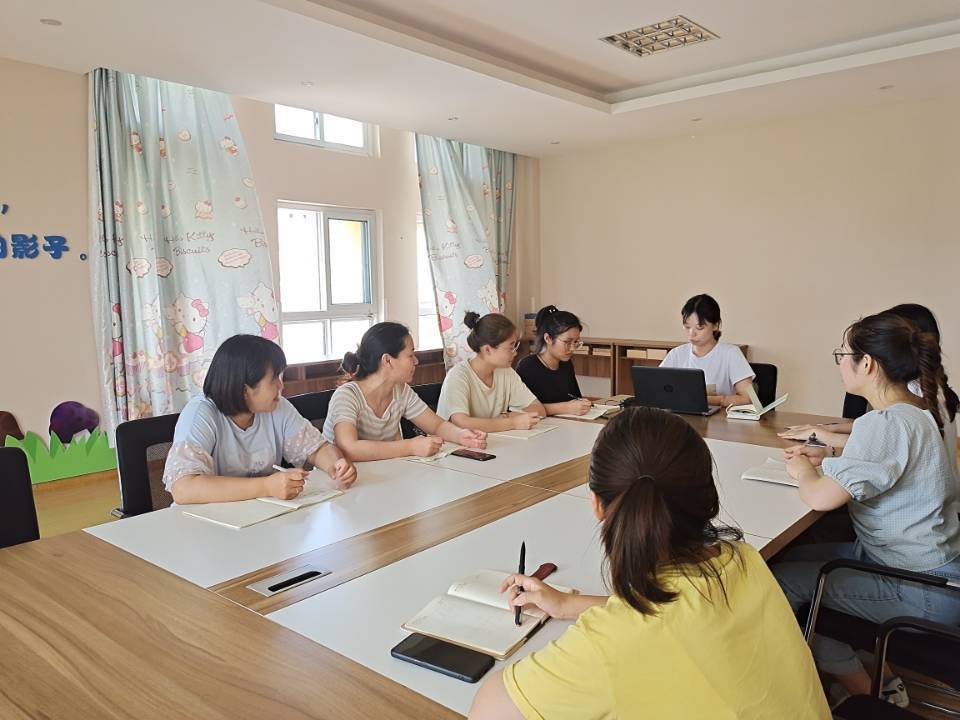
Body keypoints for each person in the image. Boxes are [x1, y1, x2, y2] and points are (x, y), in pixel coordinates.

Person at [468, 407, 830, 719]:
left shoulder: (611, 643)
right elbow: (674, 610)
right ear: (707, 496)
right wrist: (568, 605)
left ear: (597, 505)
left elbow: (487, 711)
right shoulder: (741, 557)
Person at [773, 313, 960, 707]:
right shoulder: (917, 411)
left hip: (917, 587)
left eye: (843, 355)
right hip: (932, 571)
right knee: (792, 557)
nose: (840, 363)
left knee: (782, 581)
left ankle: (867, 693)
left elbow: (820, 498)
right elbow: (885, 468)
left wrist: (803, 469)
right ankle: (877, 675)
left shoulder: (884, 422)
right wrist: (828, 460)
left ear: (868, 364)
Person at [162, 334, 356, 504]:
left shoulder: (277, 407)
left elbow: (316, 449)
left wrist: (336, 466)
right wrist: (266, 486)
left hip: (262, 516)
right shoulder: (201, 413)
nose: (281, 386)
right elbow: (183, 488)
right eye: (274, 379)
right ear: (244, 389)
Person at [779, 303, 958, 486]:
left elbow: (884, 443)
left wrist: (809, 462)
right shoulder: (926, 388)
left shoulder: (912, 391)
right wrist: (832, 436)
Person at [324, 322, 487, 461]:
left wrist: (461, 435)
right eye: (410, 355)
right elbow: (349, 448)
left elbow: (436, 425)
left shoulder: (401, 390)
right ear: (387, 360)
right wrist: (410, 447)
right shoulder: (347, 396)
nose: (416, 361)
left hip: (386, 473)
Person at [437, 312, 546, 432]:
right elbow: (461, 423)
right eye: (511, 347)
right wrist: (512, 422)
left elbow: (538, 409)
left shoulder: (506, 372)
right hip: (454, 442)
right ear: (487, 350)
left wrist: (506, 417)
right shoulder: (458, 376)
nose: (515, 352)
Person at [660, 293, 754, 407]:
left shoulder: (731, 353)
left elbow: (749, 398)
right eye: (687, 327)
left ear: (716, 325)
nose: (692, 334)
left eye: (700, 327)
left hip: (719, 417)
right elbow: (657, 390)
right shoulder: (676, 354)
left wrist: (709, 399)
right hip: (681, 415)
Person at [516, 305, 592, 417]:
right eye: (567, 342)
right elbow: (523, 409)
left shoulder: (566, 363)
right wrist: (566, 407)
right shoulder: (528, 367)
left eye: (576, 342)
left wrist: (581, 404)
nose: (572, 348)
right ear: (548, 338)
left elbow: (575, 397)